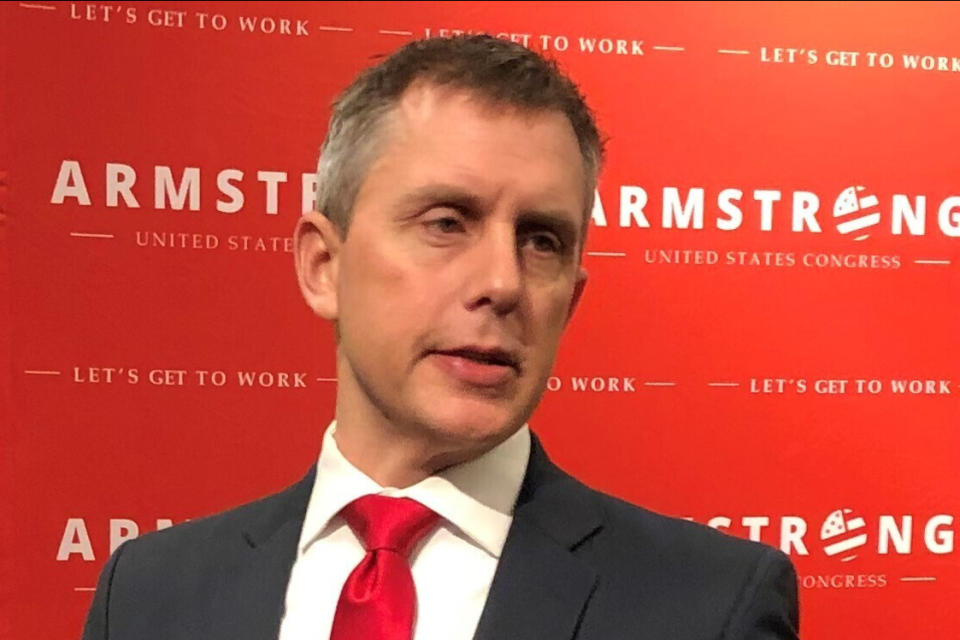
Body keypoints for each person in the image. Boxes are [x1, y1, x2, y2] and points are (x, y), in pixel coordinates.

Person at [82, 35, 799, 640]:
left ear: (572, 300)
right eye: (447, 222)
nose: (503, 281)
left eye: (542, 240)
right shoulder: (149, 595)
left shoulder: (709, 607)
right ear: (324, 266)